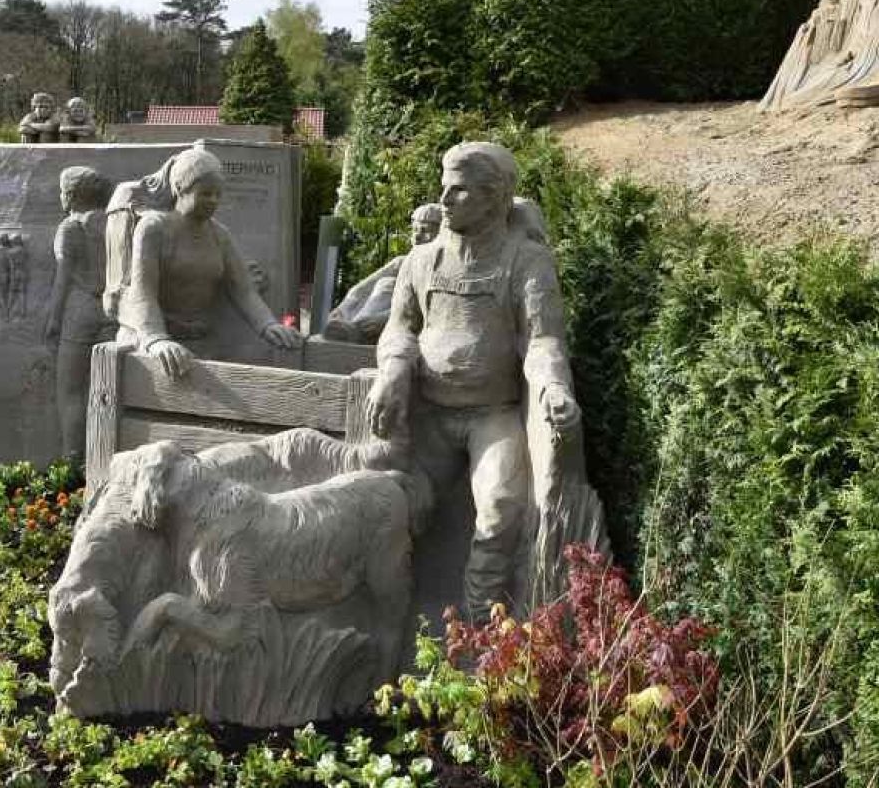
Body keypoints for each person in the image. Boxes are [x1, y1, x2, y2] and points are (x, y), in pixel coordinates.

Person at [365, 142, 583, 620]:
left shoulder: (526, 261)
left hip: (492, 416)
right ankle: (389, 615)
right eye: (443, 187)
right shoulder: (422, 260)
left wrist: (554, 388)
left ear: (494, 198)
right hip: (428, 413)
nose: (444, 200)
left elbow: (543, 341)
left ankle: (478, 624)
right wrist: (394, 371)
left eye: (459, 191)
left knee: (502, 505)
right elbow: (399, 329)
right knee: (384, 496)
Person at [116, 148, 302, 379]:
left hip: (199, 343)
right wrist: (157, 340)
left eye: (217, 194)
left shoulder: (219, 234)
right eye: (205, 194)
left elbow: (243, 290)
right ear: (179, 188)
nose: (213, 201)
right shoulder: (154, 229)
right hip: (154, 345)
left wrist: (269, 325)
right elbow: (143, 292)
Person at [46, 166, 115, 458]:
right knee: (108, 393)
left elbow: (63, 277)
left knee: (71, 394)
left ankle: (72, 464)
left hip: (79, 311)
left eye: (63, 192)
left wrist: (53, 319)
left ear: (72, 196)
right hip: (112, 312)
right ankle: (105, 458)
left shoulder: (71, 227)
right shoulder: (115, 223)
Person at [325, 203, 443, 343]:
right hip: (378, 322)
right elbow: (364, 287)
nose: (417, 236)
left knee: (389, 284)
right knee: (385, 282)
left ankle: (356, 330)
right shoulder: (403, 262)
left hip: (415, 327)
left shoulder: (444, 269)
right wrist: (343, 309)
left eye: (425, 230)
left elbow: (429, 307)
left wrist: (387, 317)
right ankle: (354, 327)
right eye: (415, 230)